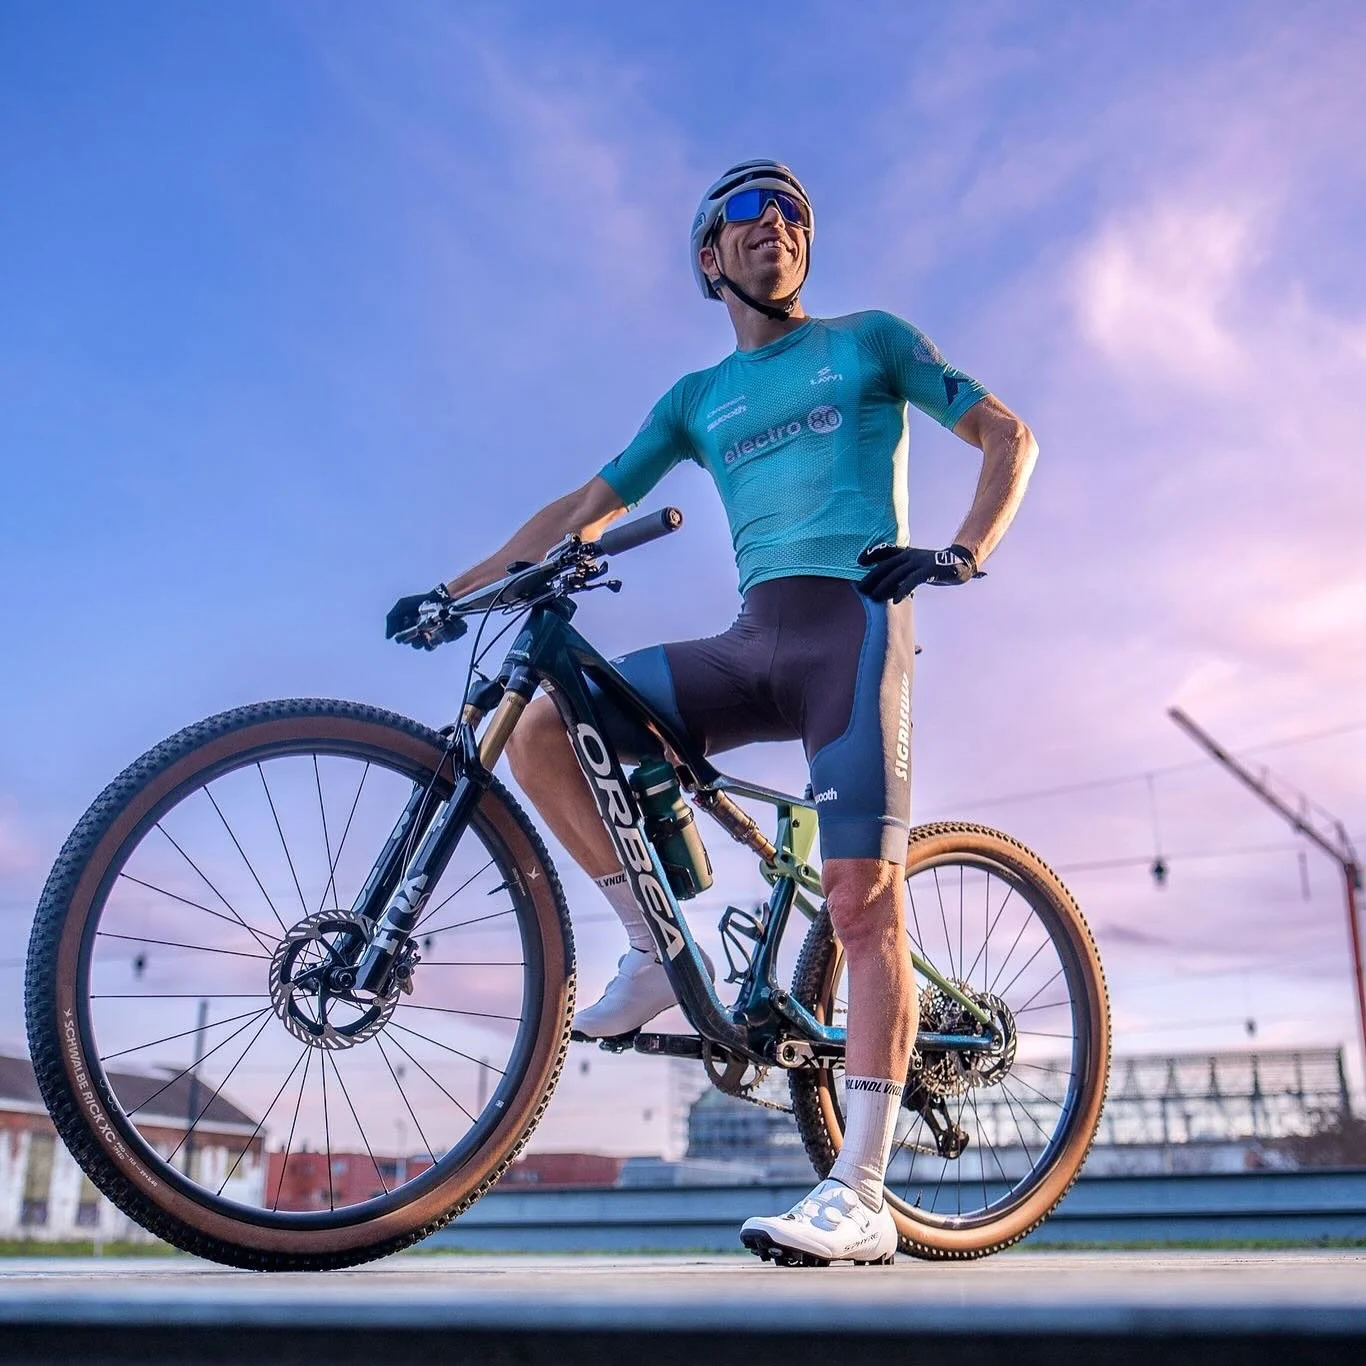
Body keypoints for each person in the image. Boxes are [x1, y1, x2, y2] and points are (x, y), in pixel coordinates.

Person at [386, 160, 1038, 1265]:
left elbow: (1005, 435)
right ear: (707, 254)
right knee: (548, 725)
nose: (775, 221)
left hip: (855, 626)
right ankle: (654, 948)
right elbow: (581, 511)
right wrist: (455, 591)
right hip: (754, 638)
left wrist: (964, 551)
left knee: (859, 901)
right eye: (747, 208)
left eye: (794, 209)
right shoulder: (697, 400)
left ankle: (864, 1191)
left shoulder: (870, 338)